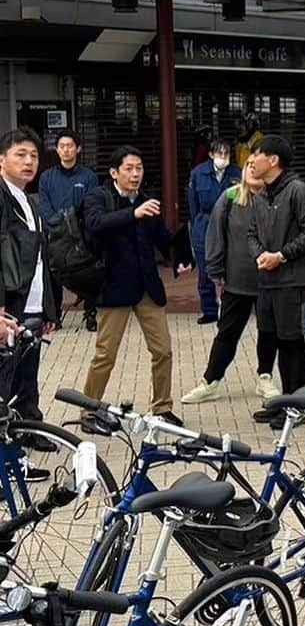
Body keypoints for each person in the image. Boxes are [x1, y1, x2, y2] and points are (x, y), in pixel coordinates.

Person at [82, 145, 187, 423]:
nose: (135, 174)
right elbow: (94, 225)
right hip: (114, 288)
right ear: (114, 172)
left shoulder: (146, 200)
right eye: (128, 168)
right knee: (106, 355)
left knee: (163, 349)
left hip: (148, 288)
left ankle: (162, 408)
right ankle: (89, 410)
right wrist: (133, 214)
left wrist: (179, 259)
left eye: (139, 168)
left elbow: (162, 238)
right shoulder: (99, 197)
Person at [181, 159, 280, 406]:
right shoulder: (230, 197)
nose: (253, 170)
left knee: (268, 331)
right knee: (227, 333)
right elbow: (215, 234)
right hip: (236, 280)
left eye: (258, 165)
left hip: (269, 279)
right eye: (248, 165)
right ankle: (210, 382)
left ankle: (265, 377)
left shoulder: (277, 198)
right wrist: (214, 268)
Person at [246, 136, 305, 432]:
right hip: (267, 279)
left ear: (274, 160)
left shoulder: (297, 190)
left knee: (292, 342)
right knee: (272, 339)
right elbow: (251, 234)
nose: (251, 160)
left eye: (257, 155)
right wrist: (261, 255)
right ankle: (284, 404)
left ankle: (296, 407)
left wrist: (281, 255)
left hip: (292, 280)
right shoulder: (262, 194)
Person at [0, 128, 56, 418]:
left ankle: (30, 427)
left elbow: (41, 260)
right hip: (8, 305)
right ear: (1, 160)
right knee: (4, 378)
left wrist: (48, 309)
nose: (29, 161)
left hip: (31, 303)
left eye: (33, 155)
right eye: (20, 154)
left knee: (27, 374)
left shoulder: (30, 201)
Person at [36, 128, 99, 330]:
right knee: (53, 275)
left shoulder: (88, 176)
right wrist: (58, 224)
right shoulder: (46, 177)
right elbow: (44, 205)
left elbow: (90, 204)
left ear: (78, 149)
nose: (66, 150)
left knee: (88, 273)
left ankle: (90, 313)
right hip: (54, 234)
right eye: (62, 146)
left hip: (80, 233)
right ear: (57, 149)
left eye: (70, 146)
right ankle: (53, 316)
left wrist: (76, 223)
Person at [186, 139, 241, 324]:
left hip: (230, 222)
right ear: (211, 155)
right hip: (205, 223)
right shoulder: (198, 173)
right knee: (205, 268)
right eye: (219, 154)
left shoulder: (236, 173)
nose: (223, 158)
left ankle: (229, 309)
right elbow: (192, 205)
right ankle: (209, 310)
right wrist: (197, 225)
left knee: (231, 266)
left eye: (226, 154)